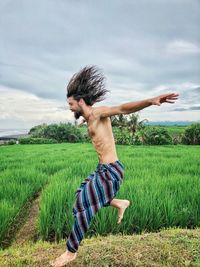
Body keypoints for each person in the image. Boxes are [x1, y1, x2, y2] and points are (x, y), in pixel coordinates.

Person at [50, 65, 179, 266]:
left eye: (70, 103)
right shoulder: (87, 118)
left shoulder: (98, 113)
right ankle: (119, 202)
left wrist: (150, 101)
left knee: (84, 206)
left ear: (80, 101)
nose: (69, 107)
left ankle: (71, 251)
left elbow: (123, 108)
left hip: (111, 172)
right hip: (102, 170)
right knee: (80, 194)